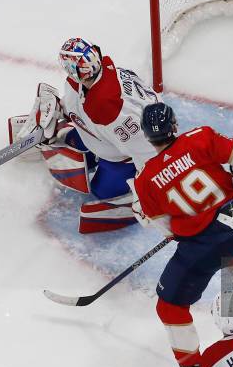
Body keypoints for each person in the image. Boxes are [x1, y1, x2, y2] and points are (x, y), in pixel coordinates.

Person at [129, 102, 233, 367]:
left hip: (205, 245)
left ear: (147, 136)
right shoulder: (200, 137)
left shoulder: (145, 180)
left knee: (170, 306)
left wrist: (185, 227)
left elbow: (167, 228)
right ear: (174, 126)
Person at [10, 37, 160, 233]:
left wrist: (146, 191)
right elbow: (76, 102)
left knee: (101, 191)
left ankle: (117, 177)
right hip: (102, 137)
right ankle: (88, 149)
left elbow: (149, 151)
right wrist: (58, 110)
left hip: (125, 158)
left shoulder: (115, 113)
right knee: (68, 141)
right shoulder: (89, 79)